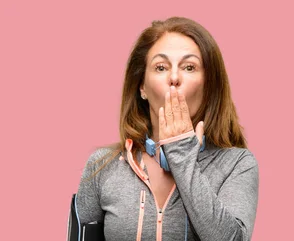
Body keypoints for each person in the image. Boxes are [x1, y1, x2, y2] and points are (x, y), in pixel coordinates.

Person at [73, 16, 259, 241]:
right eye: (161, 67)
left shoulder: (238, 165)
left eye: (189, 67)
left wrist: (181, 153)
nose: (173, 78)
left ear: (209, 86)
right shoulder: (102, 166)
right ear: (142, 86)